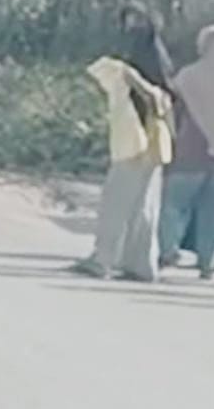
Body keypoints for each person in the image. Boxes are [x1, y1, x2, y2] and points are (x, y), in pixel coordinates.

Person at [71, 48, 172, 281]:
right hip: (153, 151)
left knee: (116, 206)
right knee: (144, 209)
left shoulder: (131, 79)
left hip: (133, 149)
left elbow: (100, 68)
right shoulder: (155, 82)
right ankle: (141, 265)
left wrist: (131, 76)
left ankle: (104, 260)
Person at [158, 25, 214, 280]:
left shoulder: (187, 76)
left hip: (190, 151)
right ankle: (209, 264)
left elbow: (172, 110)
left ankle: (167, 250)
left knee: (174, 205)